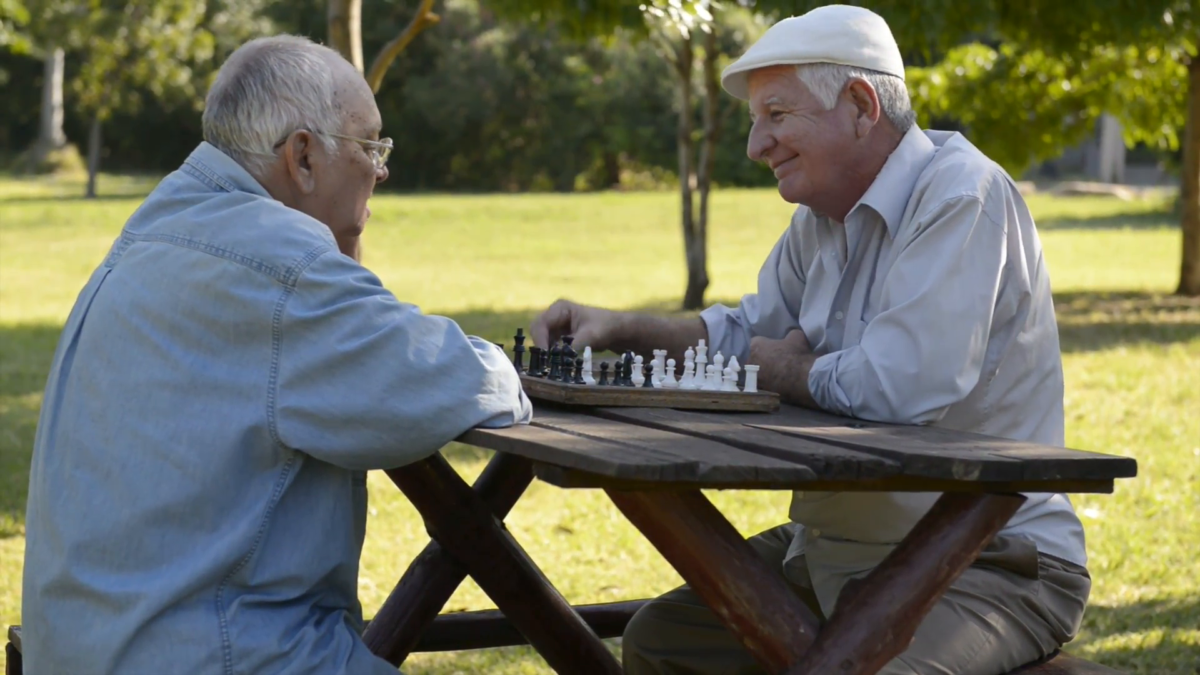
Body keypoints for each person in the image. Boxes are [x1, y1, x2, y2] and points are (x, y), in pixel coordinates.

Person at [531, 5, 1090, 675]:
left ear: (859, 105)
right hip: (831, 552)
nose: (755, 145)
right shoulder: (821, 217)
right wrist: (622, 328)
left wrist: (790, 371)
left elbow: (902, 385)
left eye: (776, 115)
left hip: (990, 560)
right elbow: (746, 336)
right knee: (663, 640)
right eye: (755, 121)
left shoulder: (963, 195)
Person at [21, 35, 531, 675]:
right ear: (304, 157)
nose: (383, 170)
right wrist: (515, 367)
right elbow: (443, 385)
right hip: (217, 654)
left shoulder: (156, 226)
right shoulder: (277, 258)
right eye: (371, 146)